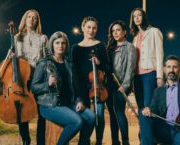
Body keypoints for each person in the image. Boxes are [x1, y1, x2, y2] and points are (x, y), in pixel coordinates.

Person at [31, 31, 96, 145]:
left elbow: (74, 87)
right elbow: (34, 87)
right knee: (77, 121)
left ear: (66, 45)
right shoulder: (43, 63)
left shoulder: (69, 64)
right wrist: (47, 84)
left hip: (69, 103)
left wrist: (79, 101)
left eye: (63, 43)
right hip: (50, 105)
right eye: (57, 43)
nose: (60, 46)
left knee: (91, 117)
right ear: (52, 45)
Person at [70, 16, 108, 145]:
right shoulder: (76, 48)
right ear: (83, 28)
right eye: (89, 27)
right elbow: (74, 72)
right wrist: (79, 95)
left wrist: (100, 62)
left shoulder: (100, 45)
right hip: (81, 88)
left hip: (97, 86)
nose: (91, 30)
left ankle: (99, 142)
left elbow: (108, 66)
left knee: (99, 117)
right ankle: (84, 141)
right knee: (85, 118)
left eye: (94, 28)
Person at [129, 7, 164, 144]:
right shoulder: (135, 36)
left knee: (148, 109)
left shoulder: (154, 31)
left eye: (139, 15)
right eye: (134, 16)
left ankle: (147, 141)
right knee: (141, 110)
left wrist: (159, 76)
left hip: (150, 74)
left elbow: (160, 54)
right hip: (137, 77)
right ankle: (145, 140)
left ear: (143, 17)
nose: (137, 18)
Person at [14, 9, 48, 145]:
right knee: (22, 112)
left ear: (37, 21)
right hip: (23, 78)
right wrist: (12, 56)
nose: (31, 20)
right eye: (29, 17)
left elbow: (46, 59)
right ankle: (26, 140)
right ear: (25, 19)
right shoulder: (17, 37)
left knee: (42, 112)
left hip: (38, 77)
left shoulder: (42, 38)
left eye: (34, 18)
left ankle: (41, 142)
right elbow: (17, 58)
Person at [106, 20, 136, 145]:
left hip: (121, 85)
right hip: (109, 85)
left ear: (124, 32)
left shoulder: (129, 46)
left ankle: (125, 141)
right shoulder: (110, 47)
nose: (115, 33)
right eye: (113, 31)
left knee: (119, 112)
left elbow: (131, 68)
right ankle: (115, 141)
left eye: (118, 30)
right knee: (112, 113)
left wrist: (125, 85)